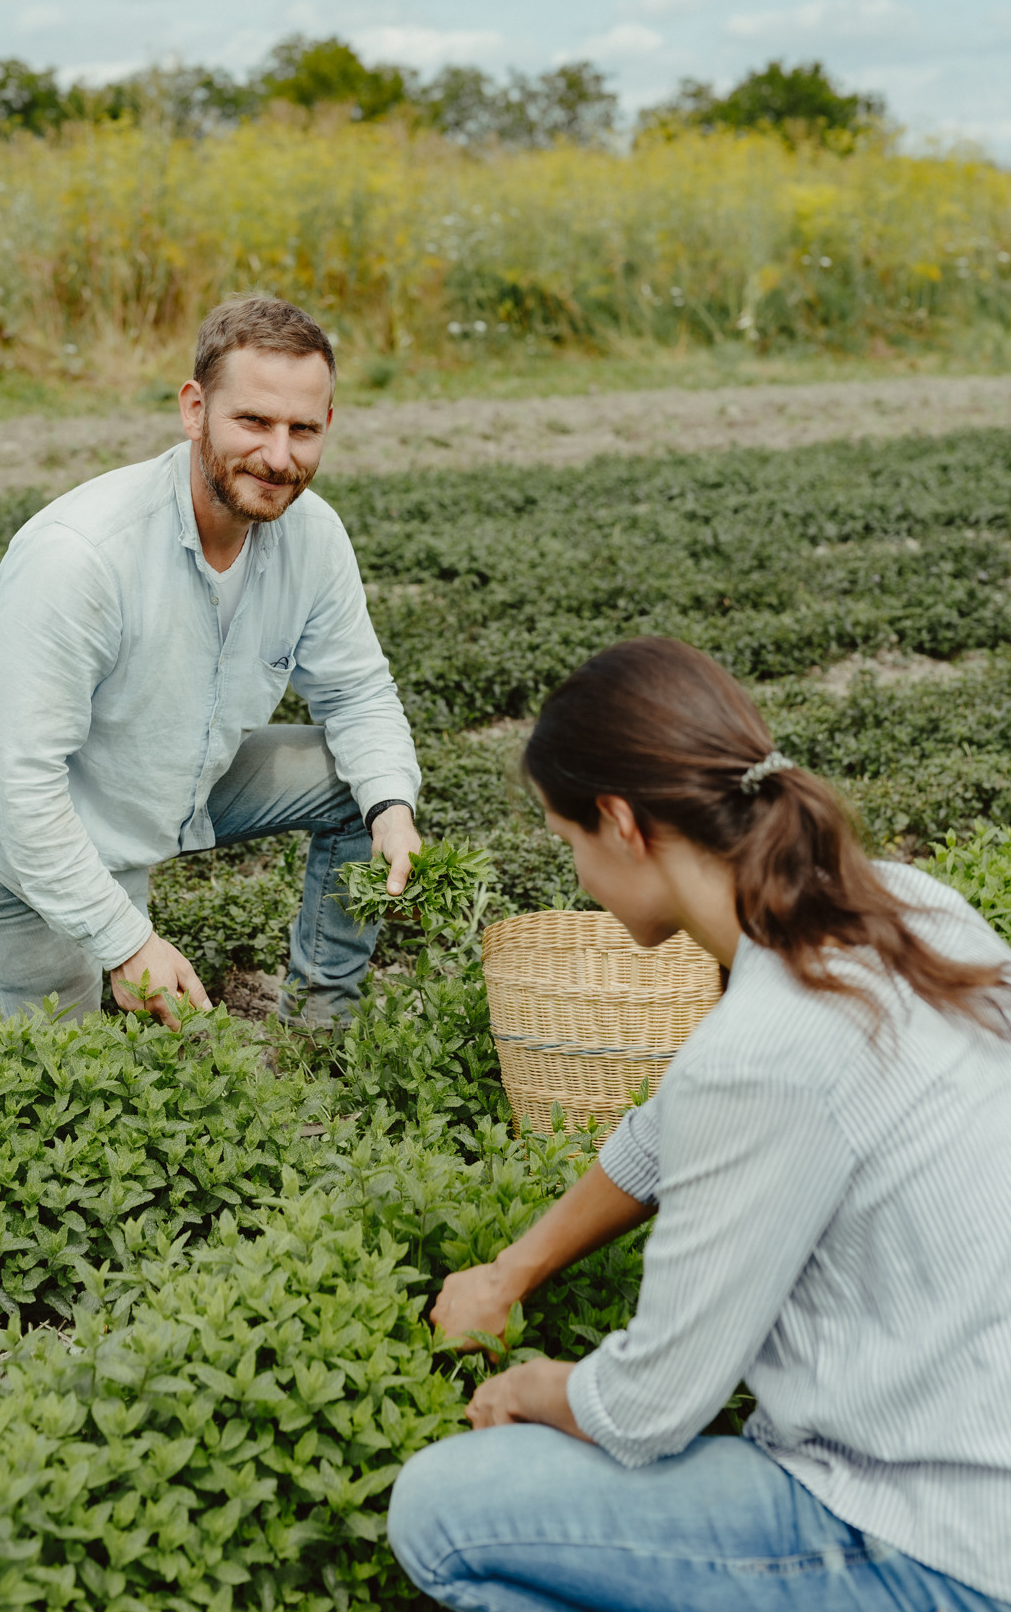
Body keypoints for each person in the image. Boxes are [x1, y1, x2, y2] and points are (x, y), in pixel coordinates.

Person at [389, 636, 1011, 1612]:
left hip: (926, 1535)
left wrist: (529, 1390)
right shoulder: (910, 906)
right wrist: (512, 1271)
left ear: (620, 822)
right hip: (975, 1453)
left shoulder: (763, 1050)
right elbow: (666, 1132)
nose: (579, 879)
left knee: (445, 1509)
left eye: (568, 846)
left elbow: (647, 1409)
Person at [0, 296, 421, 1030]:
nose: (280, 458)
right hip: (17, 844)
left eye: (303, 430)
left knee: (364, 783)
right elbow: (22, 785)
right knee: (58, 1092)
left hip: (176, 781)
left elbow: (357, 694)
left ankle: (320, 1030)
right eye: (253, 422)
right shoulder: (79, 554)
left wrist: (392, 808)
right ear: (195, 410)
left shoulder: (313, 536)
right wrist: (128, 943)